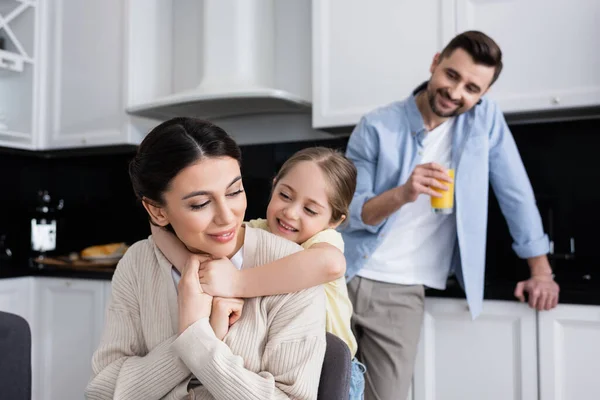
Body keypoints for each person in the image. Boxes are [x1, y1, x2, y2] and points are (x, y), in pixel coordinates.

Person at [341, 31, 560, 400]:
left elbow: (515, 193)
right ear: (435, 62)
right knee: (320, 389)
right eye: (452, 76)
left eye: (472, 88)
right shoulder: (377, 125)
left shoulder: (483, 121)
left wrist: (541, 271)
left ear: (483, 94)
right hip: (340, 274)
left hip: (403, 290)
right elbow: (349, 211)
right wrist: (403, 193)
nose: (456, 93)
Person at [85, 117, 327, 400]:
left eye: (235, 191)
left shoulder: (292, 269)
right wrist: (201, 332)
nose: (227, 217)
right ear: (157, 211)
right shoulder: (138, 264)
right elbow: (101, 392)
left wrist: (196, 341)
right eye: (200, 204)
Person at [153, 147, 366, 399]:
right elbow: (160, 232)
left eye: (310, 210)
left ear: (334, 221)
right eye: (285, 195)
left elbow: (332, 263)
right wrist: (192, 265)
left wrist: (237, 283)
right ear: (274, 186)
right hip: (278, 364)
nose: (291, 212)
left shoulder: (323, 240)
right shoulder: (257, 230)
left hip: (331, 370)